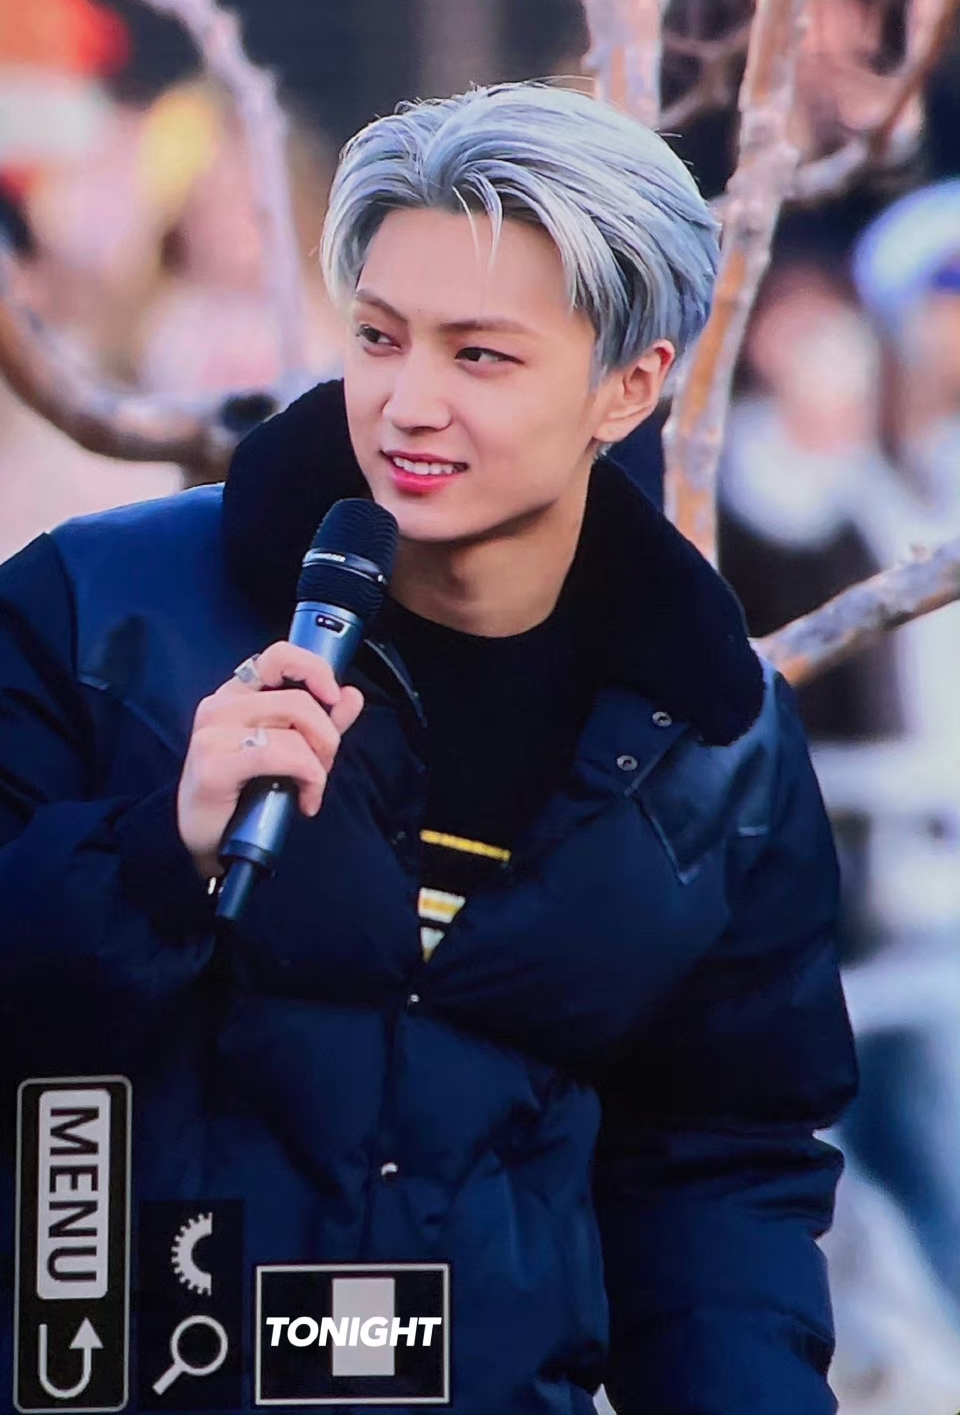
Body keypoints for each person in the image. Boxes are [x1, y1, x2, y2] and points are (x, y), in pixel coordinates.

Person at [0, 83, 858, 1415]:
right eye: (379, 338)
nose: (407, 402)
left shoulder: (715, 739)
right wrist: (153, 855)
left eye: (481, 356)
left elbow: (720, 1165)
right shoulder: (100, 615)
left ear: (630, 387)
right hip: (125, 1376)